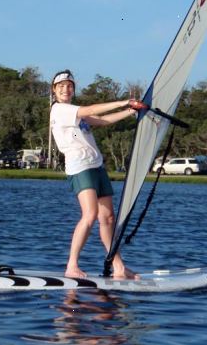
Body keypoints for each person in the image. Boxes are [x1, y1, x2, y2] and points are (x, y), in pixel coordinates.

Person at [50, 69, 144, 279]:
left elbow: (103, 120)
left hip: (96, 165)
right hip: (80, 166)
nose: (66, 89)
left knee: (108, 218)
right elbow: (91, 109)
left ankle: (119, 267)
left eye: (70, 86)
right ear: (54, 90)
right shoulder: (59, 110)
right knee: (90, 215)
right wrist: (123, 102)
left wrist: (131, 111)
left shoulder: (75, 112)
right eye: (62, 86)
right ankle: (71, 265)